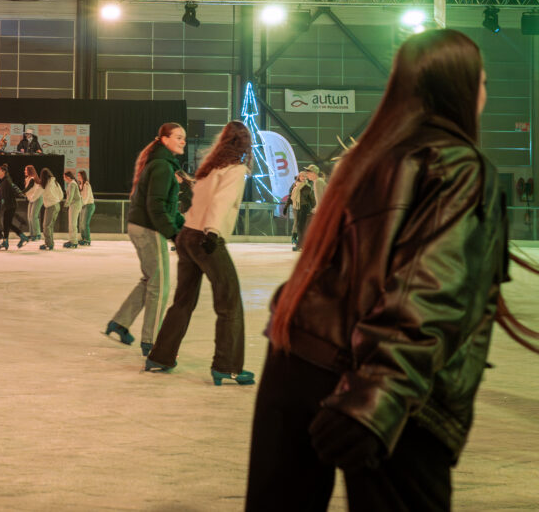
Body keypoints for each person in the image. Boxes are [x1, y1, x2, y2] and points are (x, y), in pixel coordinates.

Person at [245, 29, 519, 511]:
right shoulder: (458, 165)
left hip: (296, 358)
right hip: (377, 385)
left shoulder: (366, 158)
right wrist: (376, 400)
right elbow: (431, 291)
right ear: (461, 86)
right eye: (483, 82)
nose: (484, 93)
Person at [145, 121, 253, 378]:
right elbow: (222, 201)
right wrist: (213, 231)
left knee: (183, 302)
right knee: (229, 303)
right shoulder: (236, 170)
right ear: (245, 144)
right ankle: (226, 367)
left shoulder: (210, 169)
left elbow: (199, 201)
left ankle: (160, 356)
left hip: (188, 235)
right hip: (206, 237)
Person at [104, 123, 186, 353]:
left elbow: (166, 207)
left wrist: (182, 227)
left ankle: (120, 322)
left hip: (140, 226)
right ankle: (152, 342)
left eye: (184, 138)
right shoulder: (162, 166)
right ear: (165, 139)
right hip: (149, 229)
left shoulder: (161, 164)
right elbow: (156, 206)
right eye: (178, 137)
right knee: (160, 286)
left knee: (150, 280)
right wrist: (174, 235)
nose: (183, 141)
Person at [0, 165, 30, 250]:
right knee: (7, 224)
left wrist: (21, 195)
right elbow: (0, 197)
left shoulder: (6, 181)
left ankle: (21, 237)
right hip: (8, 206)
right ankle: (7, 241)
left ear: (3, 172)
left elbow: (13, 190)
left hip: (10, 206)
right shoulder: (4, 182)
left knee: (7, 224)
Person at [38, 168, 64, 251]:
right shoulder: (55, 182)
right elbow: (61, 194)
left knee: (46, 226)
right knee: (50, 226)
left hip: (51, 206)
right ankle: (50, 243)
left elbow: (41, 193)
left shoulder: (46, 184)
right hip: (57, 205)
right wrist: (57, 200)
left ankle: (49, 244)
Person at [63, 170, 82, 249]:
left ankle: (74, 241)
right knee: (72, 223)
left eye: (64, 177)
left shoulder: (72, 184)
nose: (64, 179)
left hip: (75, 205)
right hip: (74, 205)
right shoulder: (72, 183)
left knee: (72, 224)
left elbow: (70, 196)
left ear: (67, 177)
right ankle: (72, 240)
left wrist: (66, 205)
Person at [24, 165, 43, 241]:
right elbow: (27, 191)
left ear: (30, 171)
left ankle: (37, 234)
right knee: (29, 217)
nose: (25, 171)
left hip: (37, 198)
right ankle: (32, 234)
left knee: (33, 216)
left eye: (26, 170)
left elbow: (28, 188)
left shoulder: (32, 179)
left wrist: (18, 192)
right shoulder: (27, 179)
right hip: (31, 199)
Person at [78, 170, 95, 246]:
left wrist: (81, 204)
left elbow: (86, 197)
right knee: (81, 224)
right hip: (83, 205)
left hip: (89, 205)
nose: (78, 177)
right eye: (78, 175)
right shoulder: (81, 185)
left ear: (83, 176)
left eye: (79, 175)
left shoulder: (86, 184)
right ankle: (83, 238)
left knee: (85, 223)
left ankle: (87, 240)